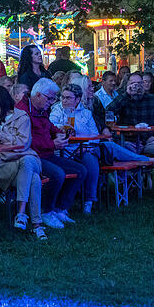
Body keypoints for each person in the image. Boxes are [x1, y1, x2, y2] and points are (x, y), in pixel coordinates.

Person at [16, 79, 85, 228]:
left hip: (46, 154)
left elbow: (48, 125)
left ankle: (60, 208)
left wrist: (59, 132)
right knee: (57, 174)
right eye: (50, 98)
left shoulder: (40, 108)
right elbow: (27, 141)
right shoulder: (22, 111)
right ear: (39, 95)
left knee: (80, 170)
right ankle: (45, 211)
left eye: (55, 98)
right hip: (32, 156)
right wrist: (52, 144)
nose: (53, 102)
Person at [0, 86, 46, 240]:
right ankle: (36, 224)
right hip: (4, 165)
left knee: (28, 160)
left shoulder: (21, 117)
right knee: (33, 178)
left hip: (19, 160)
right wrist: (14, 150)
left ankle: (21, 213)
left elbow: (23, 143)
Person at [107, 71, 154, 200]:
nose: (136, 87)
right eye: (133, 84)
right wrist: (126, 94)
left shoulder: (152, 100)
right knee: (126, 151)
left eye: (139, 83)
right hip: (128, 140)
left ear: (144, 84)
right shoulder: (123, 99)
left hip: (149, 140)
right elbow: (109, 112)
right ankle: (131, 184)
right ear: (127, 85)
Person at [48, 84, 100, 214]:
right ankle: (61, 204)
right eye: (63, 97)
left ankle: (89, 200)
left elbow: (95, 135)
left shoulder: (86, 113)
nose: (64, 101)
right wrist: (63, 126)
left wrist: (87, 146)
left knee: (90, 160)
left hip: (82, 148)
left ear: (77, 100)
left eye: (68, 98)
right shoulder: (56, 110)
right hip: (62, 149)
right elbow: (51, 125)